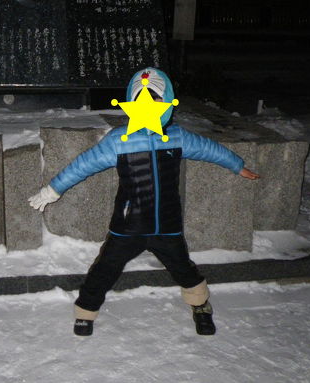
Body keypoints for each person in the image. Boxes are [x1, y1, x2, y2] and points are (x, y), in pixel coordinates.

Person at [28, 67, 260, 336]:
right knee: (105, 268)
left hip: (167, 226)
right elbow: (82, 165)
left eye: (156, 98)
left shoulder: (177, 137)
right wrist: (53, 190)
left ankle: (200, 305)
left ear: (167, 101)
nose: (148, 105)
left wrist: (237, 165)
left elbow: (210, 149)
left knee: (183, 268)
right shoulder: (119, 140)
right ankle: (85, 311)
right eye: (141, 99)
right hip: (129, 226)